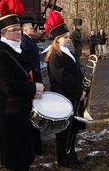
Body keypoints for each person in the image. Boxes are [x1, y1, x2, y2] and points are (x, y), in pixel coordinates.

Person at [0, 12, 44, 171]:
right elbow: (9, 86)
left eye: (19, 29)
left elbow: (27, 74)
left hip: (24, 111)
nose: (18, 32)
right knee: (17, 160)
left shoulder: (16, 50)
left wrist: (37, 86)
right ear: (3, 33)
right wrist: (33, 88)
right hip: (12, 115)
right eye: (13, 30)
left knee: (25, 157)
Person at [44, 11, 86, 168]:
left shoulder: (68, 51)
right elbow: (64, 79)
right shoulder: (55, 56)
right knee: (64, 131)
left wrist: (84, 88)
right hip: (64, 98)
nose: (69, 39)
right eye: (66, 37)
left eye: (69, 36)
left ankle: (72, 155)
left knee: (73, 128)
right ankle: (63, 158)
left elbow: (76, 72)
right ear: (57, 39)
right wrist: (78, 93)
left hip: (73, 96)